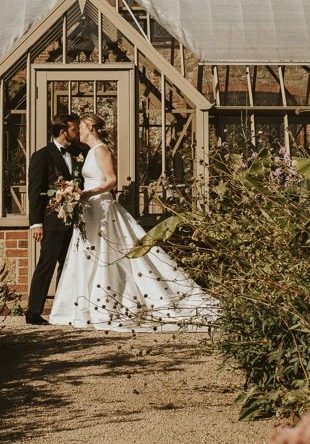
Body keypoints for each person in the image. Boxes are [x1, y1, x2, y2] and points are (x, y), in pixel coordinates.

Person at [48, 112, 218, 331]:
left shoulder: (101, 150)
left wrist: (86, 194)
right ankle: (83, 307)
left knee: (106, 254)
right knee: (88, 254)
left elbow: (112, 181)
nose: (78, 131)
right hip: (91, 210)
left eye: (80, 127)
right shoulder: (90, 152)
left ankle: (107, 303)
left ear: (90, 127)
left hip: (102, 209)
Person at [25, 111, 82, 325]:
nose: (76, 132)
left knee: (69, 266)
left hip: (75, 221)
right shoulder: (42, 156)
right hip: (51, 222)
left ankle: (61, 310)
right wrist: (36, 224)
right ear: (62, 131)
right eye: (74, 129)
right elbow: (35, 191)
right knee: (46, 265)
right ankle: (33, 312)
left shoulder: (80, 152)